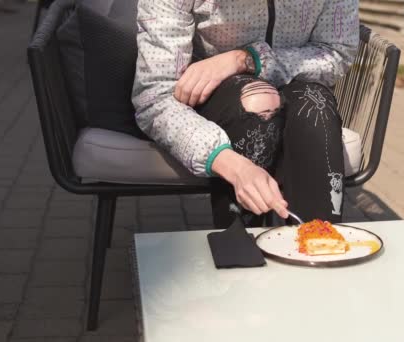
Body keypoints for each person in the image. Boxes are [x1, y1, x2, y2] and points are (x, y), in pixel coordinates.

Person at [132, 0, 359, 227]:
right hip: (213, 101)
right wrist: (229, 163)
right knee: (258, 102)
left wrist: (247, 59)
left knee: (316, 108)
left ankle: (320, 246)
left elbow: (337, 51)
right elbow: (155, 96)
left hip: (298, 84)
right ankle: (241, 247)